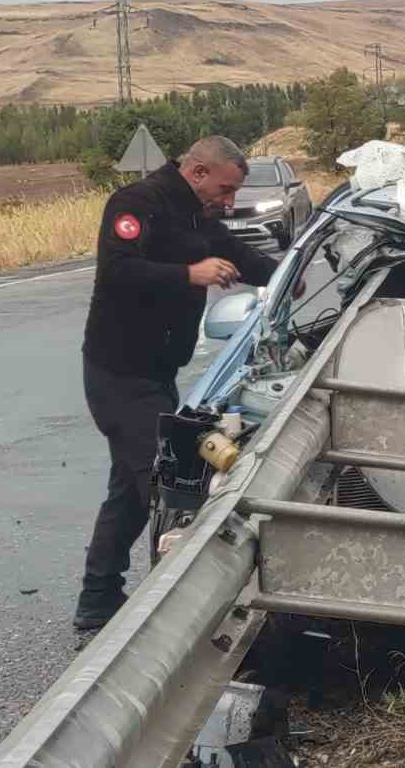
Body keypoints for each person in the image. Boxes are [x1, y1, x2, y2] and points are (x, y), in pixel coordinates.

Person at [74, 136, 280, 630]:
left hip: (157, 373)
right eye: (226, 189)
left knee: (129, 490)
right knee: (173, 478)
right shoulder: (134, 204)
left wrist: (287, 275)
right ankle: (185, 611)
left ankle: (98, 598)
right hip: (117, 374)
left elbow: (236, 254)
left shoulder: (198, 217)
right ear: (198, 171)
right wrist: (189, 274)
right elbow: (119, 271)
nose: (229, 201)